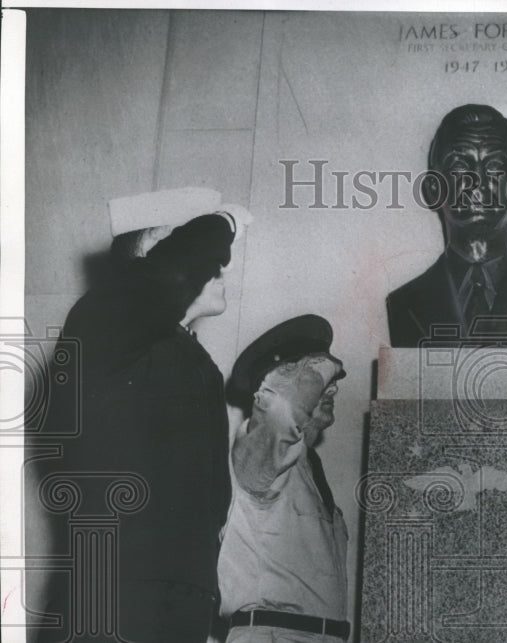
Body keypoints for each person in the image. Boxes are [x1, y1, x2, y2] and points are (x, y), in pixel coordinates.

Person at [35, 204, 245, 642]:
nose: (222, 267)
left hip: (170, 610)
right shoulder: (103, 326)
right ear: (153, 255)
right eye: (207, 260)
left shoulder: (186, 358)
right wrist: (222, 222)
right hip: (114, 605)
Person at [386, 104, 507, 346]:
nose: (478, 183)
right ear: (434, 188)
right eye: (460, 167)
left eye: (494, 167)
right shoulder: (404, 302)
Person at [218, 314, 350, 643]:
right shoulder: (259, 452)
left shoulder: (307, 466)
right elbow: (281, 413)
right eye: (311, 375)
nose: (331, 386)